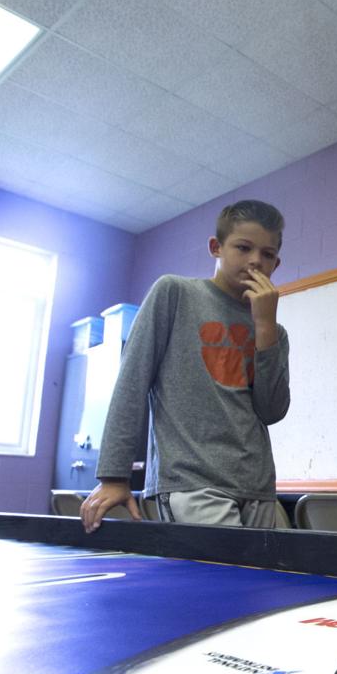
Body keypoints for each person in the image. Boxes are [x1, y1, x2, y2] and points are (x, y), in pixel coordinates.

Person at [81, 200, 291, 533]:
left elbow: (272, 411)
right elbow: (131, 382)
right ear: (216, 247)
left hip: (256, 487)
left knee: (257, 584)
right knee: (220, 581)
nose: (255, 260)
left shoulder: (274, 331)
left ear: (276, 263)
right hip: (192, 480)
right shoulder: (174, 293)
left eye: (267, 254)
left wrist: (265, 328)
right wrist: (113, 475)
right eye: (243, 247)